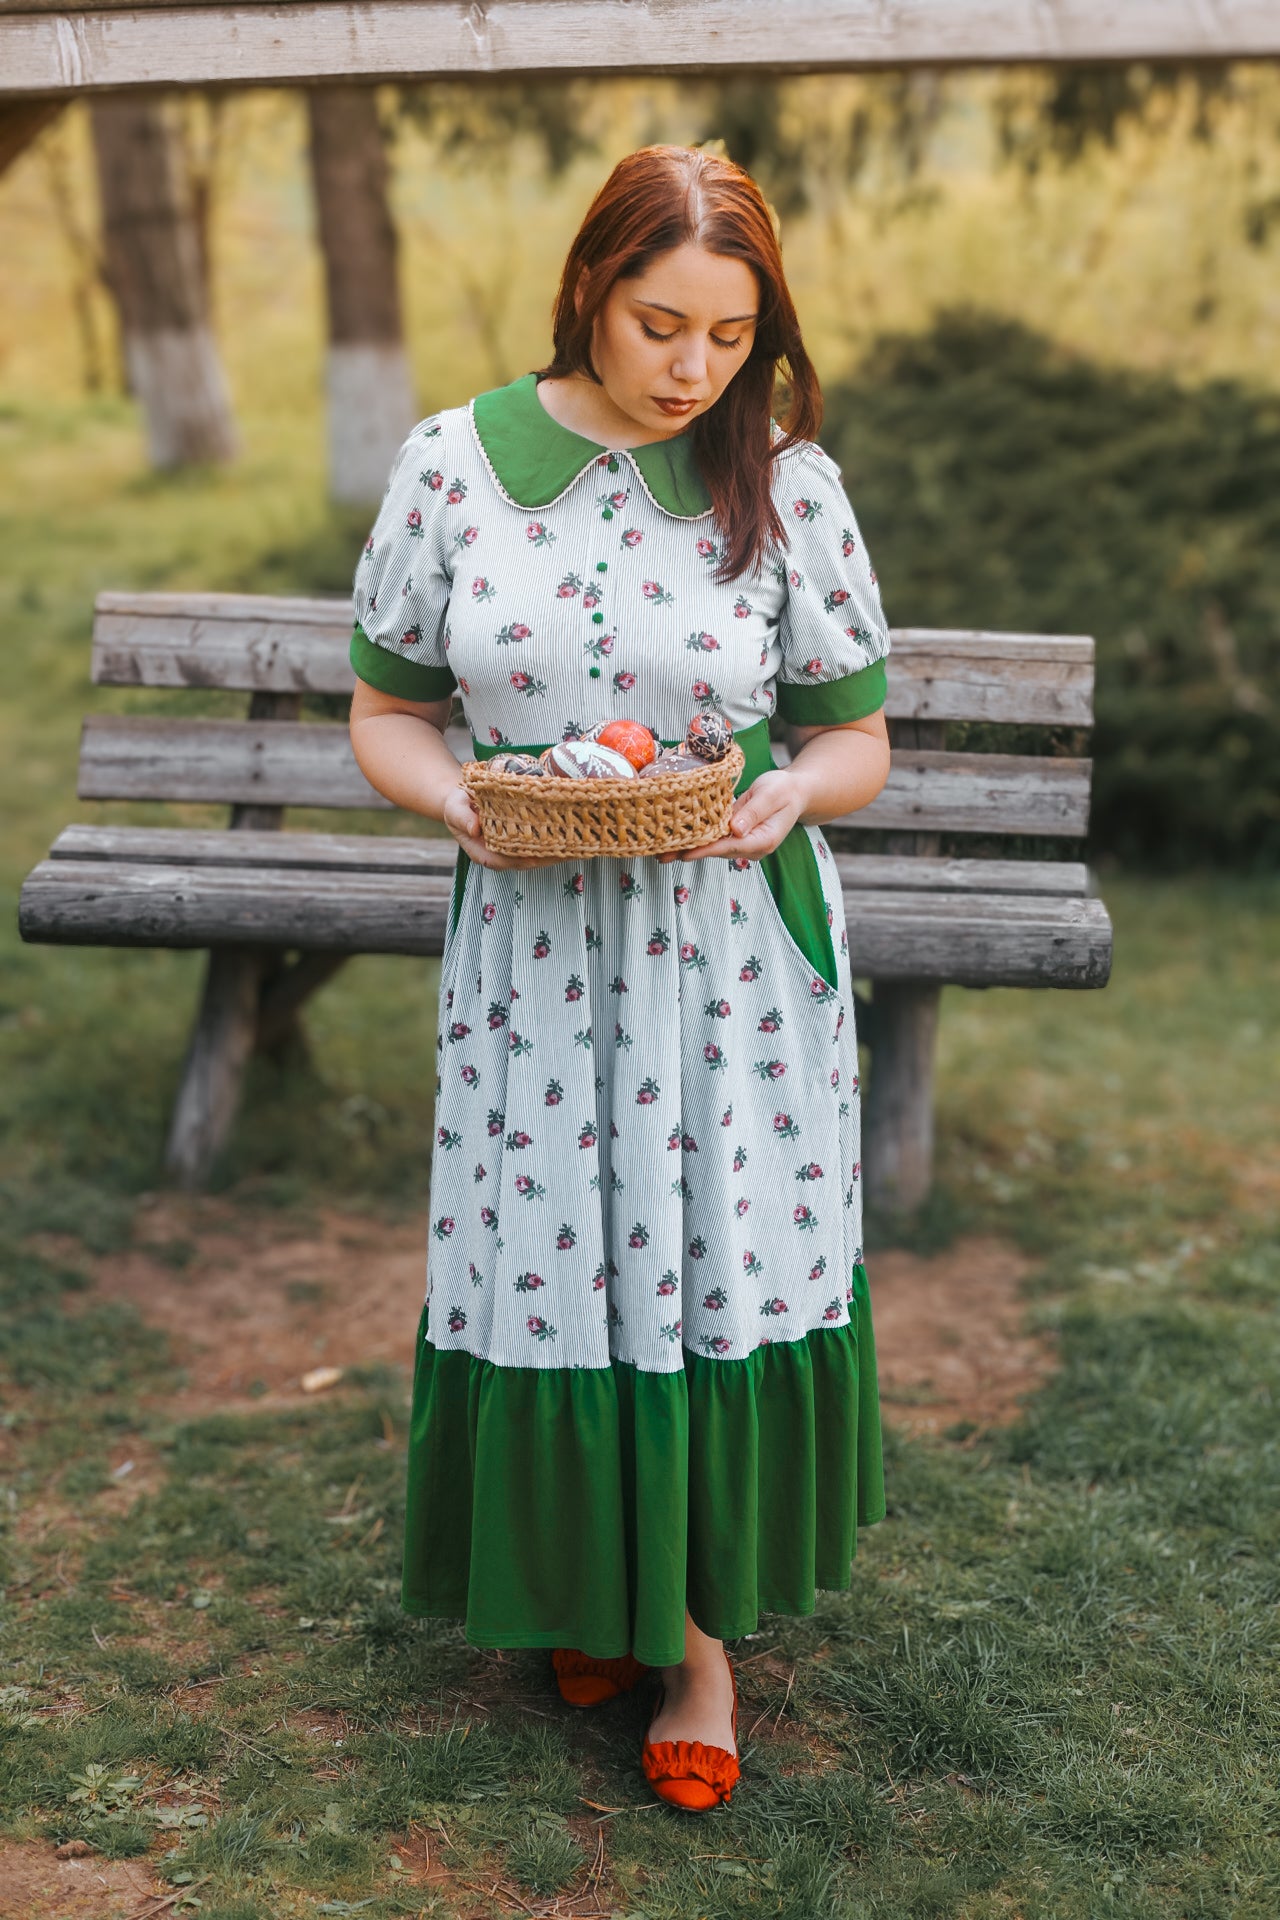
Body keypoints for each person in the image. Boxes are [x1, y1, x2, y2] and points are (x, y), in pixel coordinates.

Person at [347, 144, 892, 1813]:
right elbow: (386, 710)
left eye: (731, 338)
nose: (693, 370)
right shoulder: (454, 466)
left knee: (706, 1257)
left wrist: (795, 789)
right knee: (554, 1260)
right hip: (534, 955)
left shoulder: (783, 481)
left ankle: (698, 1647)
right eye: (663, 324)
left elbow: (852, 733)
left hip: (730, 961)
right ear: (590, 284)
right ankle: (597, 1587)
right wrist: (460, 802)